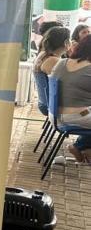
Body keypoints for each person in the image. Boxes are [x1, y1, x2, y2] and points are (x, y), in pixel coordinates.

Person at [51, 35, 91, 163]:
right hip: (75, 117)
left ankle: (82, 147)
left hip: (54, 115)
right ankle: (83, 148)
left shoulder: (62, 62)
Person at [34, 27, 71, 117]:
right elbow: (70, 82)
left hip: (46, 103)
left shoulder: (44, 55)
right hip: (52, 106)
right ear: (66, 43)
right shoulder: (53, 61)